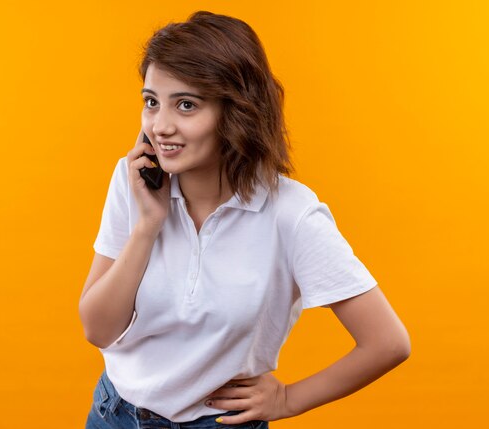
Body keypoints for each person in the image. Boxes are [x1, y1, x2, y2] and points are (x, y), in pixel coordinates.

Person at [79, 10, 410, 429]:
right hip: (115, 415)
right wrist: (147, 224)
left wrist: (289, 399)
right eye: (151, 102)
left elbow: (388, 343)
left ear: (238, 111)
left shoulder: (291, 215)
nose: (160, 126)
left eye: (186, 105)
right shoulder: (134, 181)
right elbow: (98, 329)